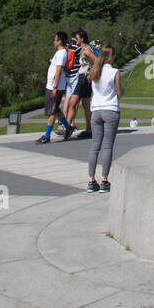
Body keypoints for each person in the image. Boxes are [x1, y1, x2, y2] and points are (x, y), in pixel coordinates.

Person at [80, 43, 122, 191]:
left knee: (94, 147)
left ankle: (91, 180)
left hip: (96, 110)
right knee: (107, 146)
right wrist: (121, 92)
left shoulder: (94, 71)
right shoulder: (114, 72)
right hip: (110, 109)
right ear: (111, 57)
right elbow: (119, 92)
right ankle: (104, 180)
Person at [36, 31, 70, 143]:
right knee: (55, 110)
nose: (54, 42)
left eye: (55, 40)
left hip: (55, 86)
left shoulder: (61, 54)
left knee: (52, 110)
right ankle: (68, 128)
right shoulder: (59, 53)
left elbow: (59, 70)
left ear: (60, 41)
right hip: (53, 85)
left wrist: (55, 87)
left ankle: (47, 135)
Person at [61, 28, 92, 140]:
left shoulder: (87, 50)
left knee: (80, 104)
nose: (75, 40)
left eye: (77, 38)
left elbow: (97, 62)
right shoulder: (82, 48)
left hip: (84, 78)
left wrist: (91, 74)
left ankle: (74, 128)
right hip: (81, 77)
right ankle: (71, 128)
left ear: (82, 39)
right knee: (79, 104)